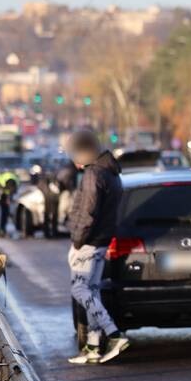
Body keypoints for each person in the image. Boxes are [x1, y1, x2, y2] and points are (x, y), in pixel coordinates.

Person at [65, 131, 129, 365]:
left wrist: (77, 241)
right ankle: (92, 347)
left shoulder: (93, 174)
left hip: (89, 243)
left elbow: (87, 212)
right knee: (91, 290)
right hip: (102, 241)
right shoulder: (111, 173)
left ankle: (114, 334)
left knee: (79, 290)